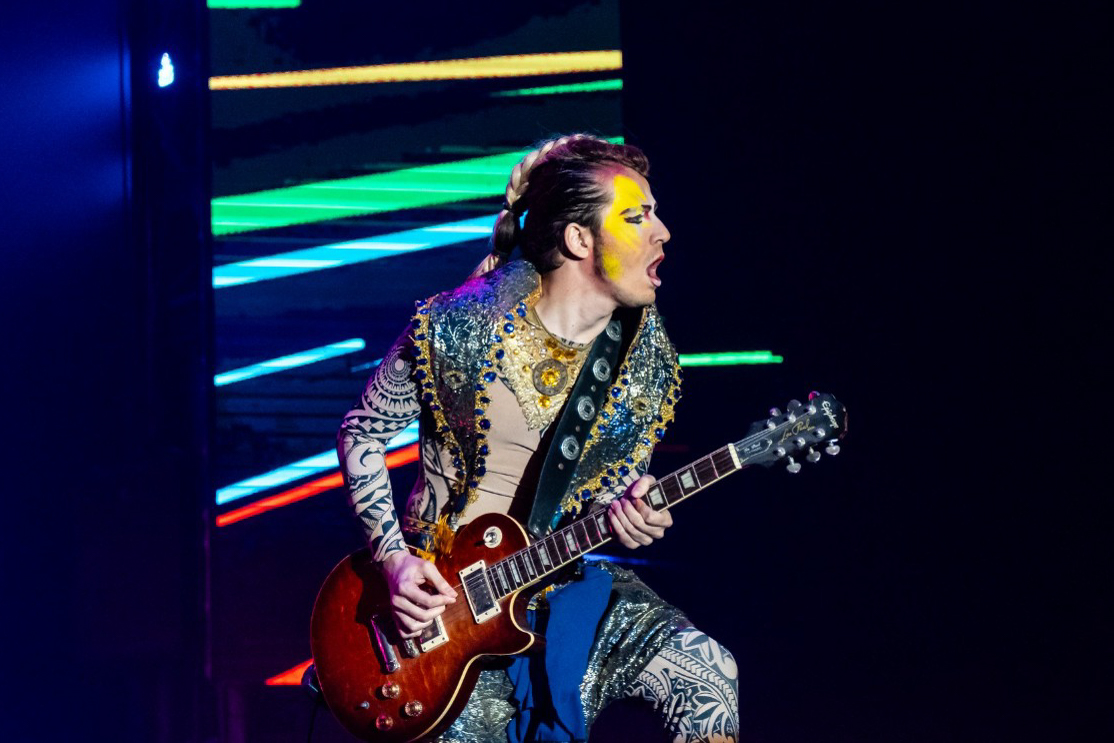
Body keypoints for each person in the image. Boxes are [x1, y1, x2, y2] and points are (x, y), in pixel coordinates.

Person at [337, 134, 738, 742]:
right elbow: (363, 431)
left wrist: (632, 512)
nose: (663, 232)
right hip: (438, 616)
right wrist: (393, 560)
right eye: (638, 217)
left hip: (562, 589)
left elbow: (610, 490)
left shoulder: (647, 360)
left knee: (709, 674)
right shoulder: (462, 325)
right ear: (579, 239)